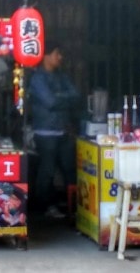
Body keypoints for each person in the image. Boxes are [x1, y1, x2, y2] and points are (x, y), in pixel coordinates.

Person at [29, 41, 80, 219]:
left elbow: (76, 96)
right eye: (57, 53)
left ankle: (73, 206)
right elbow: (50, 102)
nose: (60, 57)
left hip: (63, 130)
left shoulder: (61, 76)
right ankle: (45, 206)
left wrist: (58, 98)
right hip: (45, 132)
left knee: (70, 168)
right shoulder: (38, 79)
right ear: (46, 56)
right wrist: (61, 98)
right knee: (47, 171)